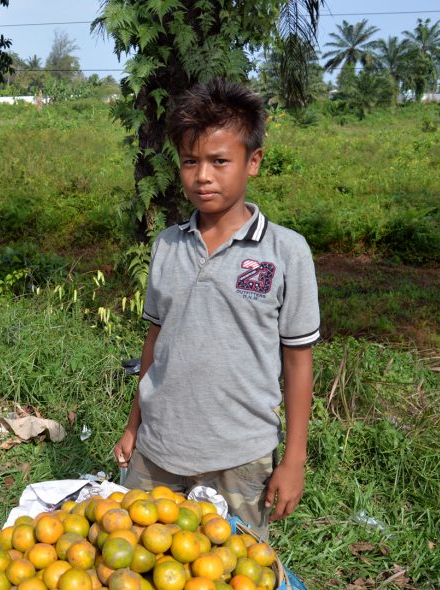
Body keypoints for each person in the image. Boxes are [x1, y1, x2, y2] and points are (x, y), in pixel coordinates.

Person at [114, 78, 320, 539]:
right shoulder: (168, 245)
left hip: (240, 458)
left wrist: (294, 459)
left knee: (230, 566)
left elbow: (297, 360)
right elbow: (155, 343)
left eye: (219, 161)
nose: (202, 176)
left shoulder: (286, 252)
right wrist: (133, 427)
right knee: (137, 557)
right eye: (191, 161)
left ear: (254, 161)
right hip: (158, 449)